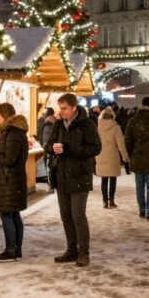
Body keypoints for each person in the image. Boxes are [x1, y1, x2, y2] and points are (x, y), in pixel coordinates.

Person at [45, 93, 102, 267]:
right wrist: (52, 148)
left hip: (79, 176)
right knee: (66, 216)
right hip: (61, 176)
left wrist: (70, 149)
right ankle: (71, 250)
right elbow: (48, 145)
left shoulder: (86, 124)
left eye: (64, 109)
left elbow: (95, 148)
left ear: (74, 107)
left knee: (78, 216)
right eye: (60, 109)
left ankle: (83, 252)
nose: (61, 112)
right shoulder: (58, 125)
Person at [0, 103, 29, 263]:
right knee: (14, 214)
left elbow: (9, 160)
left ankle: (11, 250)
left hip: (9, 181)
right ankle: (16, 249)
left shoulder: (11, 133)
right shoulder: (16, 132)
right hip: (13, 180)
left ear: (4, 115)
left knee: (7, 215)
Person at [97, 107, 129, 208]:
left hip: (101, 155)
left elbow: (96, 142)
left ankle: (104, 201)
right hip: (112, 156)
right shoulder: (116, 127)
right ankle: (111, 200)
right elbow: (121, 144)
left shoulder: (98, 127)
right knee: (113, 179)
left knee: (104, 179)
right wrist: (125, 156)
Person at [39, 108, 58, 193]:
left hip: (49, 151)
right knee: (52, 169)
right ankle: (53, 186)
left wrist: (47, 148)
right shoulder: (54, 125)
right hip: (53, 150)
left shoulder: (47, 126)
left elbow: (45, 142)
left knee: (49, 169)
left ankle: (51, 187)